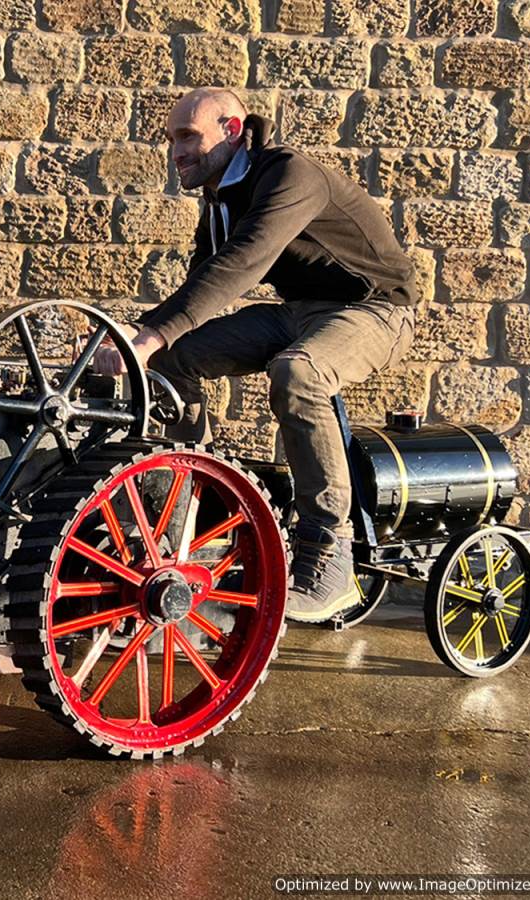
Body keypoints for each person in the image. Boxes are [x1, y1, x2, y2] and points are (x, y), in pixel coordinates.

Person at [93, 87, 417, 623]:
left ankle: (330, 553)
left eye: (188, 136)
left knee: (299, 372)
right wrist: (140, 336)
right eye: (172, 139)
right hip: (297, 311)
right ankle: (176, 520)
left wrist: (149, 336)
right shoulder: (220, 195)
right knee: (173, 358)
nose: (177, 151)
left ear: (232, 130)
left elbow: (243, 264)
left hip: (376, 310)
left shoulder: (290, 174)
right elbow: (202, 282)